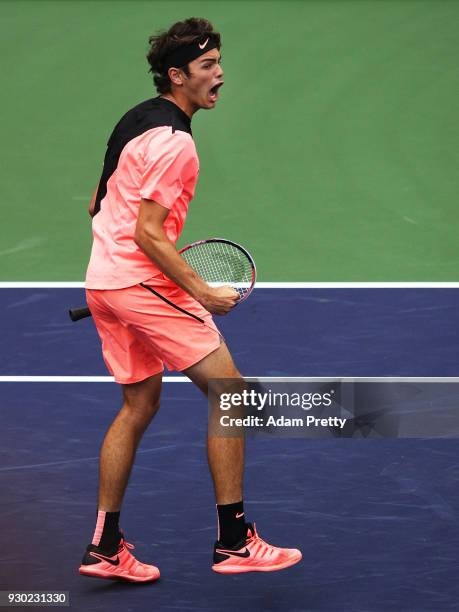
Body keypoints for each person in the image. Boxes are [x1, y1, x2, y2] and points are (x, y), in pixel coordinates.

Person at [79, 17, 301, 582]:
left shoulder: (135, 120)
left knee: (138, 406)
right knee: (233, 396)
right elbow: (148, 233)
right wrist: (200, 289)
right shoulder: (177, 145)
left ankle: (105, 549)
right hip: (140, 283)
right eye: (207, 67)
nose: (220, 74)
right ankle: (235, 542)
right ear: (178, 76)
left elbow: (97, 205)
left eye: (219, 62)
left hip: (102, 283)